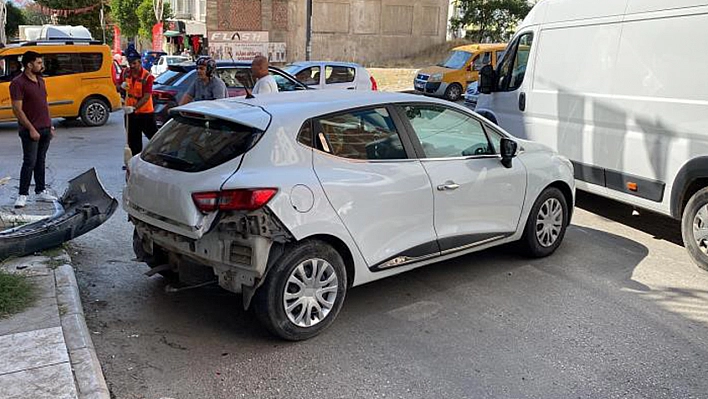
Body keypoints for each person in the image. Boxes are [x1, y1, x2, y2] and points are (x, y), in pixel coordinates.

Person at [11, 51, 57, 208]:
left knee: (41, 161)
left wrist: (49, 124)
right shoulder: (18, 83)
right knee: (29, 162)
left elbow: (44, 105)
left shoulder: (40, 80)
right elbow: (17, 109)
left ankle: (41, 191)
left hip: (45, 128)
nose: (41, 65)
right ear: (29, 65)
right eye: (38, 63)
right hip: (30, 130)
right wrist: (31, 128)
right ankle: (22, 194)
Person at [122, 47, 157, 156]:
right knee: (133, 141)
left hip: (145, 114)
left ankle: (159, 158)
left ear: (139, 62)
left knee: (154, 138)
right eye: (130, 63)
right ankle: (133, 161)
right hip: (130, 114)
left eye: (134, 63)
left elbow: (146, 97)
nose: (132, 66)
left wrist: (134, 108)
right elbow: (120, 87)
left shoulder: (147, 77)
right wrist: (121, 88)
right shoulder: (126, 73)